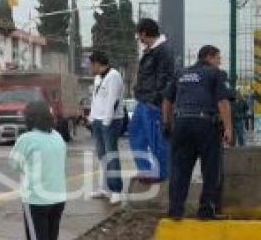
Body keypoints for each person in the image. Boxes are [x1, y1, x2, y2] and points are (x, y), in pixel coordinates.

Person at [162, 45, 233, 220]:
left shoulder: (181, 73)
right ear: (209, 57)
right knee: (210, 169)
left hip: (181, 124)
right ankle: (206, 210)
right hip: (205, 125)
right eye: (218, 57)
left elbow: (167, 100)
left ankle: (175, 210)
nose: (220, 61)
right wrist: (229, 128)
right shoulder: (215, 74)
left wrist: (166, 123)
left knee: (179, 169)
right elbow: (223, 102)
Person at [8, 100, 67, 240]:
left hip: (36, 200)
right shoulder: (58, 136)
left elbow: (13, 165)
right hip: (58, 197)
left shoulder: (26, 138)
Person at [129, 18, 174, 183]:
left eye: (139, 35)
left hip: (153, 103)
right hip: (142, 101)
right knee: (135, 134)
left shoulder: (163, 51)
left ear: (144, 33)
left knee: (157, 139)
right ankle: (145, 170)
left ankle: (161, 173)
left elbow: (165, 79)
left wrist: (156, 99)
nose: (139, 39)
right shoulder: (150, 51)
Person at [88, 51, 125, 205]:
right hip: (97, 120)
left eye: (91, 64)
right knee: (102, 155)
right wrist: (91, 117)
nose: (90, 68)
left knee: (111, 155)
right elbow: (95, 100)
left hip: (110, 121)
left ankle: (116, 190)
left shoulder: (114, 76)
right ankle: (104, 188)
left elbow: (112, 101)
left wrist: (106, 122)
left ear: (98, 63)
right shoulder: (98, 78)